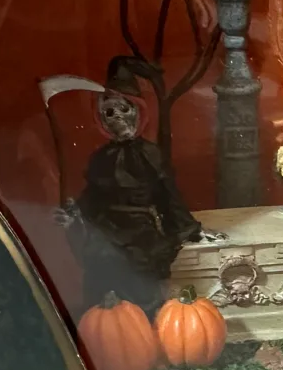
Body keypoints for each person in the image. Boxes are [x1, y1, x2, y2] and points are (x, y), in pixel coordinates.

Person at [58, 90, 221, 312]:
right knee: (101, 258)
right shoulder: (100, 158)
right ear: (101, 120)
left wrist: (190, 229)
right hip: (107, 225)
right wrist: (73, 214)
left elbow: (169, 196)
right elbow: (91, 198)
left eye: (124, 109)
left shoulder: (151, 153)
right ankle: (106, 317)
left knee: (137, 264)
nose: (118, 116)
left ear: (138, 112)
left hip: (141, 227)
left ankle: (142, 316)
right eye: (109, 112)